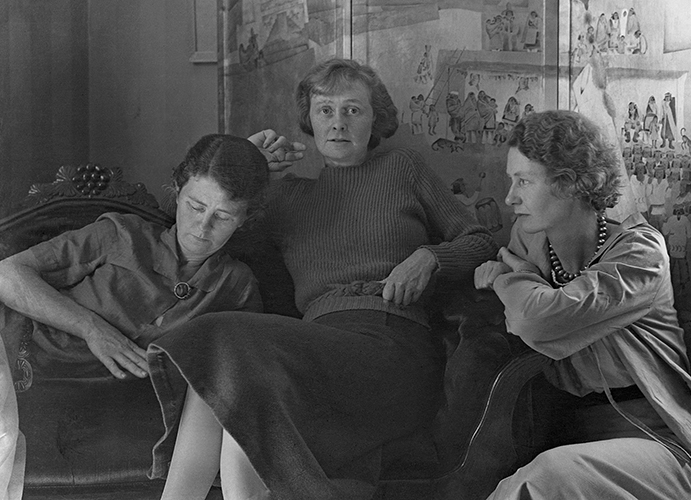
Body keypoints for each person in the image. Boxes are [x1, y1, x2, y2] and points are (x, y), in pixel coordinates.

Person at [148, 58, 497, 500]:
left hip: (393, 349)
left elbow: (481, 239)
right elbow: (195, 239)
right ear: (309, 122)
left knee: (223, 342)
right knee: (227, 375)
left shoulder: (402, 169)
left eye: (353, 110)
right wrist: (245, 163)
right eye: (325, 110)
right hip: (316, 353)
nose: (338, 123)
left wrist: (431, 257)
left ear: (376, 119)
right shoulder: (285, 197)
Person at [474, 110, 691, 500]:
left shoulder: (641, 252)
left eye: (524, 181)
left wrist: (510, 275)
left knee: (546, 479)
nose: (510, 197)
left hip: (660, 443)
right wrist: (507, 269)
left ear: (569, 184)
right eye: (510, 180)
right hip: (570, 433)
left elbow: (533, 319)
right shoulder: (529, 239)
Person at [0, 134, 279, 500]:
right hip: (24, 367)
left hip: (118, 403)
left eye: (223, 216)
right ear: (178, 189)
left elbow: (232, 376)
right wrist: (91, 327)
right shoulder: (120, 235)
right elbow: (8, 274)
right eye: (196, 206)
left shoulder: (236, 286)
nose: (202, 227)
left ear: (244, 219)